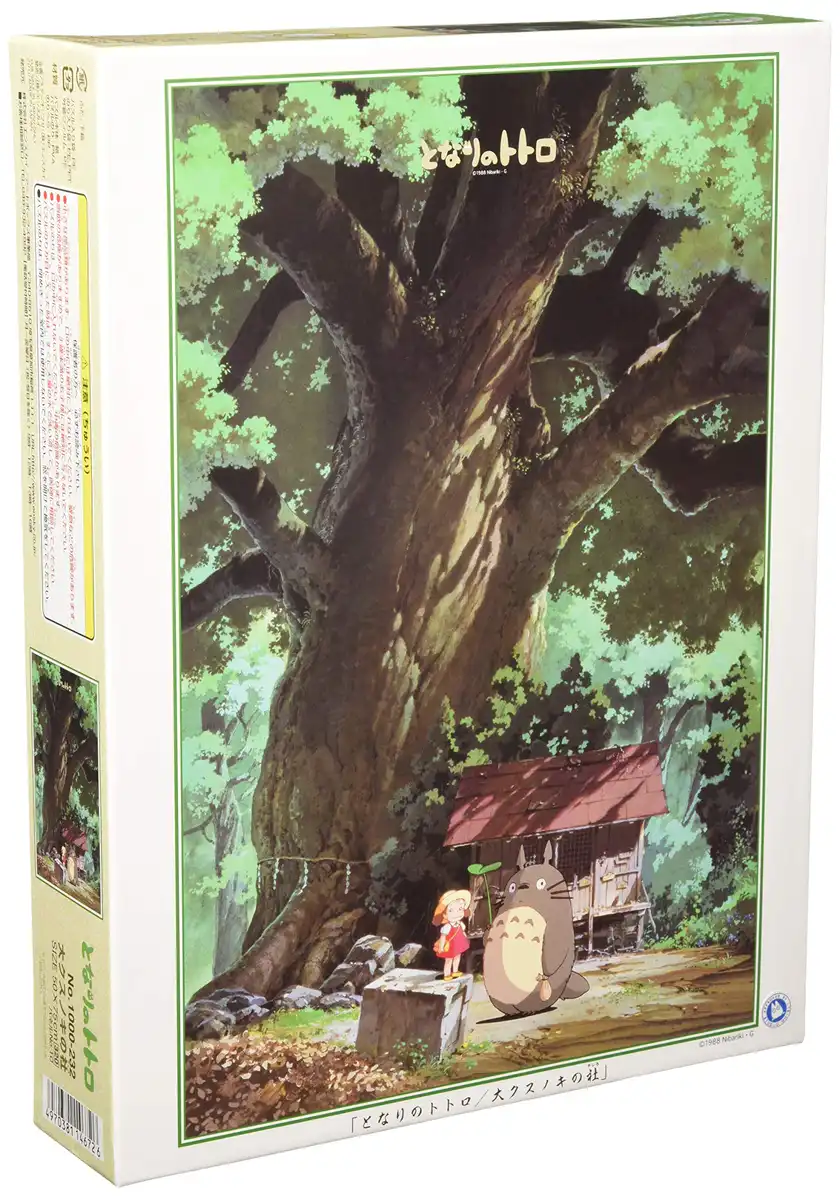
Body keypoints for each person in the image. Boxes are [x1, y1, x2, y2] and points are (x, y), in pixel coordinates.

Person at [432, 888, 472, 980]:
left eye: (460, 909)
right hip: (450, 946)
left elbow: (463, 932)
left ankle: (455, 971)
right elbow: (443, 937)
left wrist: (466, 939)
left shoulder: (460, 924)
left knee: (457, 957)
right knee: (448, 960)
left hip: (458, 945)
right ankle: (447, 974)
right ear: (444, 914)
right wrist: (441, 947)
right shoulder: (447, 927)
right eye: (451, 910)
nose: (456, 913)